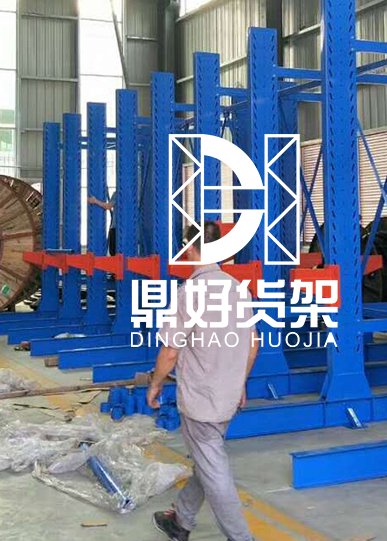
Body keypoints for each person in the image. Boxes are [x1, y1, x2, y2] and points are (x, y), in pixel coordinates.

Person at [148, 221, 259, 541]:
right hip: (228, 396)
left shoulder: (190, 292)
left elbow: (170, 351)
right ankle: (181, 520)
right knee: (207, 457)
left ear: (190, 249)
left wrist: (155, 384)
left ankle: (242, 538)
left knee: (214, 467)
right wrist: (240, 382)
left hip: (202, 400)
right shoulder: (237, 288)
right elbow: (253, 344)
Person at [87, 190, 116, 254]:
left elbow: (108, 206)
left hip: (115, 228)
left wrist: (95, 201)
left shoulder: (117, 194)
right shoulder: (133, 195)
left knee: (113, 253)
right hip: (123, 229)